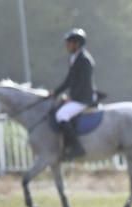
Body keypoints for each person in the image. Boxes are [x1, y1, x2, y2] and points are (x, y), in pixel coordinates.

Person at [50, 28, 97, 160]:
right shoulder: (75, 58)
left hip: (84, 98)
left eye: (69, 43)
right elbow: (69, 81)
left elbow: (84, 83)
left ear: (77, 44)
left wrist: (71, 98)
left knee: (61, 114)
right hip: (78, 97)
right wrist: (55, 92)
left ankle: (76, 147)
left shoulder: (85, 60)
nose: (67, 46)